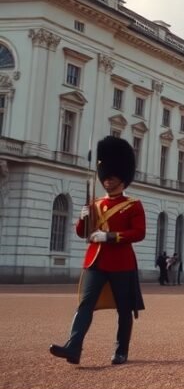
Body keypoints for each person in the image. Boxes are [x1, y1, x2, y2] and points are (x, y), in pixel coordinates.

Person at [49, 136, 145, 366]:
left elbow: (139, 233)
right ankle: (74, 347)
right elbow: (83, 233)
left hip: (121, 263)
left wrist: (110, 236)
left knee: (124, 309)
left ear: (121, 178)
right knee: (85, 304)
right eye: (106, 177)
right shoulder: (94, 204)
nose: (107, 181)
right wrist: (82, 218)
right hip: (95, 261)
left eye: (111, 177)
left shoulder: (133, 205)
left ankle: (121, 350)